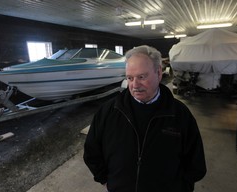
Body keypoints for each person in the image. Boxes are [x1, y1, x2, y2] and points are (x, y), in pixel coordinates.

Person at [83, 45, 206, 192]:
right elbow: (91, 151)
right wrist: (105, 180)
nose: (135, 85)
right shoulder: (109, 111)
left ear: (159, 73)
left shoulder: (179, 114)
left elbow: (196, 164)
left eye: (142, 77)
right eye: (130, 78)